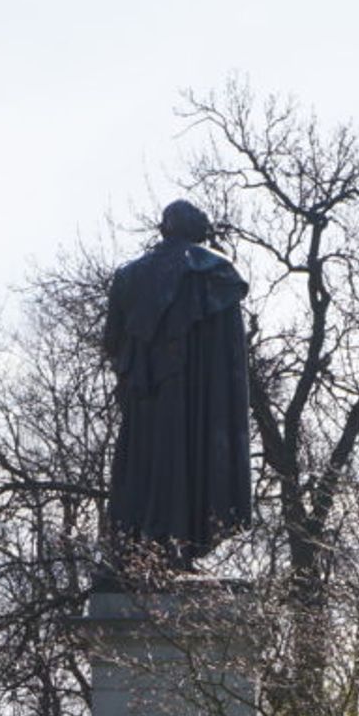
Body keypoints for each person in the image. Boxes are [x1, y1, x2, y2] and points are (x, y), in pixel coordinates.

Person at [101, 198, 251, 572]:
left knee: (141, 466)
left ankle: (141, 549)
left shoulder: (128, 277)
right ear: (197, 230)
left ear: (163, 229)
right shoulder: (216, 273)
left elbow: (112, 342)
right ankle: (174, 549)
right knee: (187, 463)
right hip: (200, 402)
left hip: (145, 397)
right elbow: (230, 355)